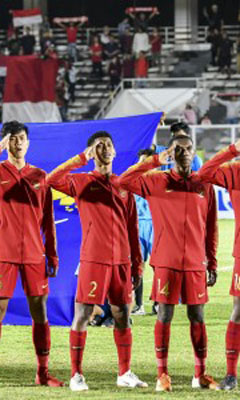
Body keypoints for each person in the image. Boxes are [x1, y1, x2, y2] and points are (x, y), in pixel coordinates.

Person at [0, 121, 62, 389]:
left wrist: (51, 254)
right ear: (7, 142)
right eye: (12, 139)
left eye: (21, 139)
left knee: (39, 311)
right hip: (3, 252)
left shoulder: (41, 176)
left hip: (33, 253)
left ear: (28, 143)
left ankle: (42, 373)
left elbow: (48, 220)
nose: (18, 143)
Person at [46, 131, 146, 391]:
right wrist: (80, 158)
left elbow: (132, 228)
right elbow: (51, 180)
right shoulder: (80, 181)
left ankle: (124, 372)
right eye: (99, 145)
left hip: (122, 262)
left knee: (122, 314)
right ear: (92, 151)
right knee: (83, 314)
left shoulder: (124, 186)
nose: (105, 149)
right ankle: (76, 375)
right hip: (93, 259)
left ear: (114, 152)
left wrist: (136, 264)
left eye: (109, 145)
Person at [118, 135, 218, 392]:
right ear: (170, 153)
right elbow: (124, 181)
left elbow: (212, 228)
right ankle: (162, 375)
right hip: (166, 261)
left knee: (198, 316)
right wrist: (153, 161)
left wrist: (212, 262)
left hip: (196, 262)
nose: (184, 153)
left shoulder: (204, 184)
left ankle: (200, 374)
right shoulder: (156, 181)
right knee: (165, 315)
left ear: (194, 152)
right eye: (178, 149)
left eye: (188, 148)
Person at [198, 139, 240, 390]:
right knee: (238, 311)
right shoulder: (235, 171)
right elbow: (205, 173)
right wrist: (232, 150)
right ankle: (231, 374)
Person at [131, 148, 155, 316]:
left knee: (160, 266)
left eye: (146, 162)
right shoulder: (131, 181)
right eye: (141, 162)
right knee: (137, 266)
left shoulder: (162, 180)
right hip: (138, 227)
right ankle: (139, 305)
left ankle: (159, 303)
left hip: (156, 226)